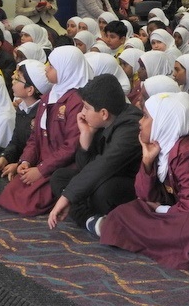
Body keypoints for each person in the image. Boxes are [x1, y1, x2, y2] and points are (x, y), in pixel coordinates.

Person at [98, 92, 189, 270]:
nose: (140, 122)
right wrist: (147, 162)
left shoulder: (188, 152)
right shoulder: (161, 146)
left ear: (163, 121)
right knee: (124, 211)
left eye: (145, 116)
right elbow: (145, 196)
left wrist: (159, 209)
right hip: (176, 210)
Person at [0, 46, 89, 216]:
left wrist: (41, 170)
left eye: (51, 66)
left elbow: (71, 146)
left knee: (30, 199)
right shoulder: (50, 96)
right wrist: (26, 160)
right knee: (13, 191)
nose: (46, 69)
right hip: (43, 161)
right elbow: (35, 136)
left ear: (66, 69)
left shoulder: (77, 101)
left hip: (63, 166)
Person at [47, 74, 143, 231]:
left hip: (126, 184)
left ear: (104, 113)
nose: (82, 113)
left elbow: (104, 165)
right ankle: (91, 220)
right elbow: (85, 167)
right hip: (104, 176)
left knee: (103, 191)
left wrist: (67, 197)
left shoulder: (130, 127)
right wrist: (86, 136)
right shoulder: (102, 121)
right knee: (60, 177)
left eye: (86, 107)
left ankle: (91, 215)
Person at [0, 60, 50, 198]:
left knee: (30, 175)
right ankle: (1, 183)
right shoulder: (21, 108)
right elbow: (15, 142)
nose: (12, 79)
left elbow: (38, 149)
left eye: (17, 79)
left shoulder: (42, 113)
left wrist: (18, 164)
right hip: (21, 156)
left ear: (30, 89)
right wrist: (4, 158)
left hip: (33, 161)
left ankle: (3, 187)